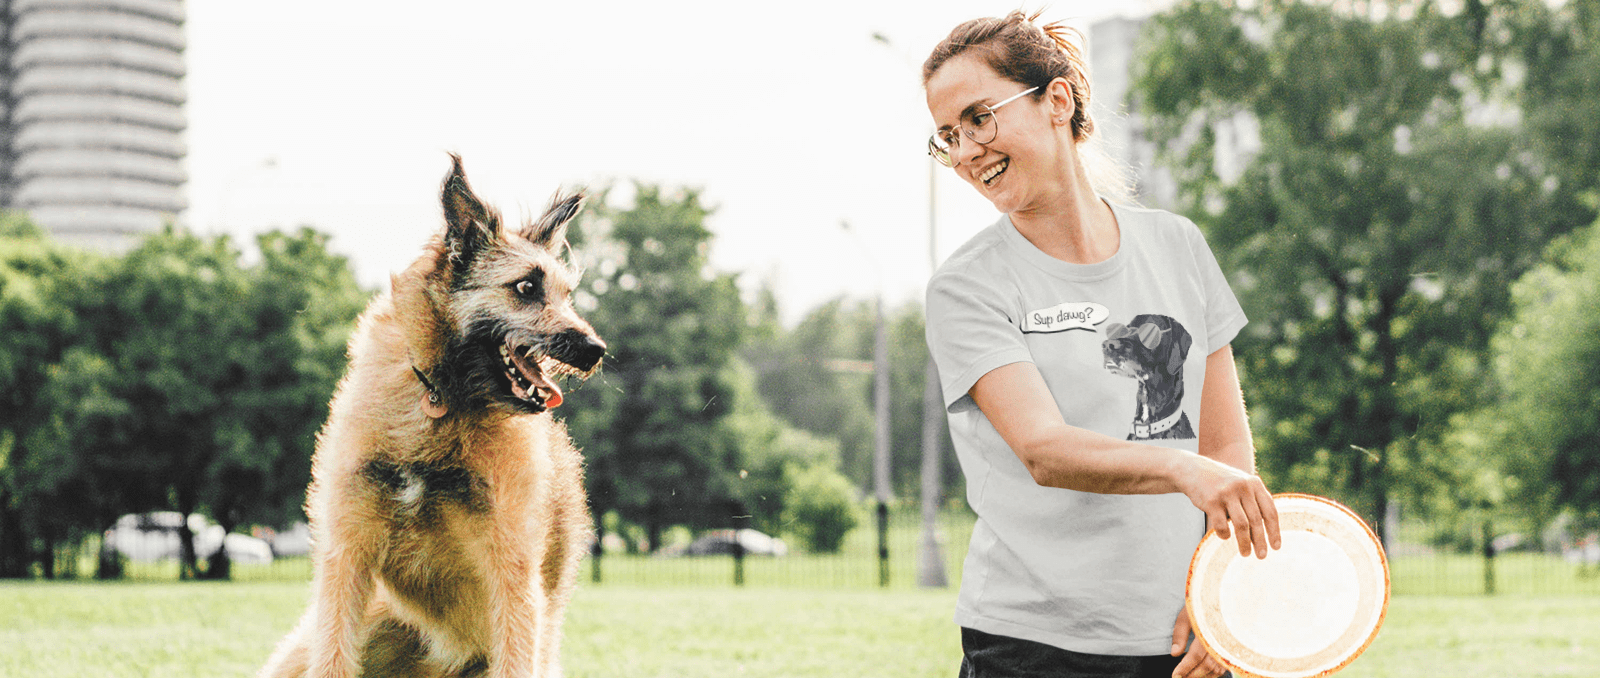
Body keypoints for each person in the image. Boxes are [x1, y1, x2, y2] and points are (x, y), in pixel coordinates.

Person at [920, 11, 1282, 678]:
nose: (966, 150)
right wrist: (1181, 470)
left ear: (1056, 101)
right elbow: (1044, 450)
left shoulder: (1179, 246)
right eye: (947, 136)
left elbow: (1225, 446)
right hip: (1031, 648)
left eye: (979, 117)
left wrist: (1217, 592)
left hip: (1181, 640)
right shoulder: (965, 287)